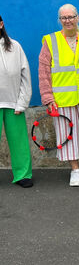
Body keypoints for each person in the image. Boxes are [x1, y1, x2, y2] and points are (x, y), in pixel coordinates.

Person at [39, 4, 79, 187]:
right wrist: (48, 98)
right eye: (64, 18)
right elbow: (43, 72)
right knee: (66, 135)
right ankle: (75, 169)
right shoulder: (50, 41)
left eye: (71, 17)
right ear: (59, 20)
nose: (68, 21)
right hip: (61, 100)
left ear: (78, 18)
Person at [0, 15, 33, 188]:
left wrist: (22, 102)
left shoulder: (14, 47)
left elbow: (25, 76)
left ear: (1, 24)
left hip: (13, 104)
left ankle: (23, 174)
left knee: (19, 141)